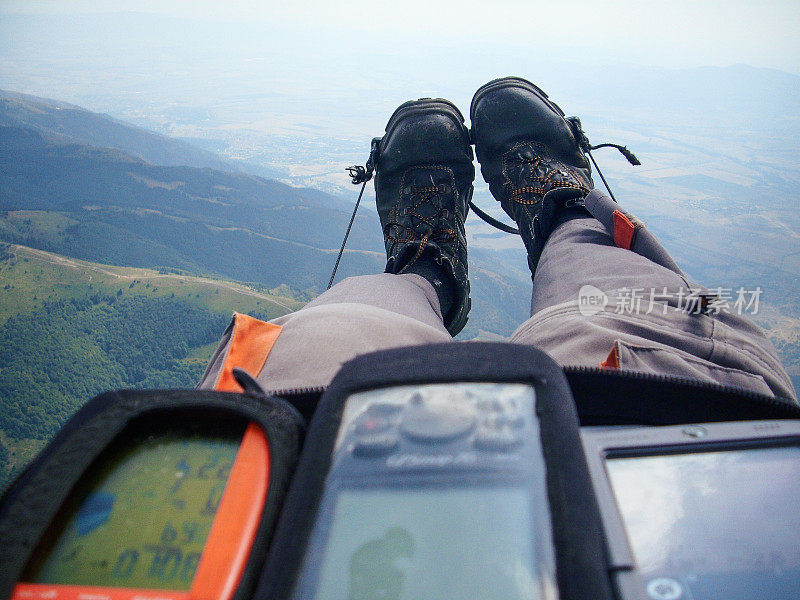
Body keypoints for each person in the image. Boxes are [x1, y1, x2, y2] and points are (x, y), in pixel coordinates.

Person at [197, 76, 797, 403]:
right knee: (616, 311)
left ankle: (428, 266)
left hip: (268, 461)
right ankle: (562, 216)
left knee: (330, 336)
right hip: (682, 421)